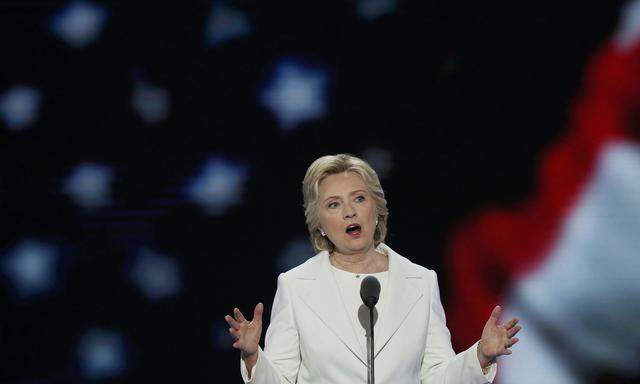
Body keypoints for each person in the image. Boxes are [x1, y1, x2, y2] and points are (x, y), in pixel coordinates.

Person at [225, 154, 521, 384]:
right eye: (333, 204)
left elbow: (436, 377)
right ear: (320, 224)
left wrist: (480, 356)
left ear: (376, 208)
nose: (349, 211)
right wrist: (253, 357)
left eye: (359, 198)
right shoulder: (296, 285)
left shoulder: (420, 282)